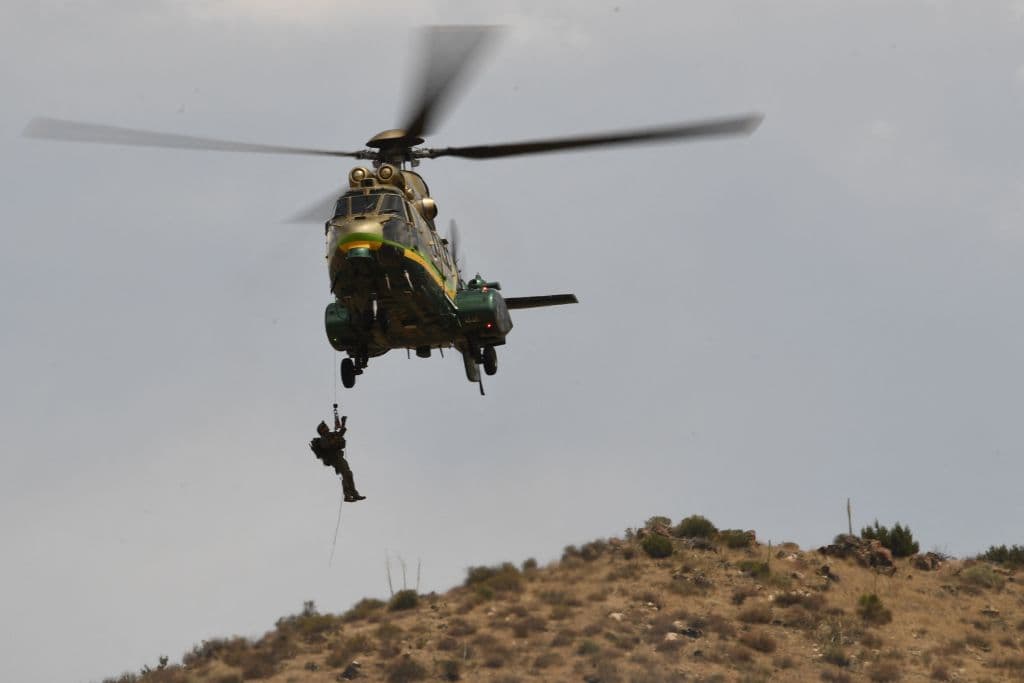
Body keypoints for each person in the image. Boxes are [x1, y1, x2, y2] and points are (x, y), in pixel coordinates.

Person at [310, 404, 365, 502]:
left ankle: (352, 494)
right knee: (346, 473)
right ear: (322, 430)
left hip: (338, 457)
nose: (327, 427)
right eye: (325, 427)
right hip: (335, 458)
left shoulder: (330, 435)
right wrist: (335, 439)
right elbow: (327, 446)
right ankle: (349, 495)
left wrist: (343, 424)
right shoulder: (323, 439)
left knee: (348, 474)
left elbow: (340, 433)